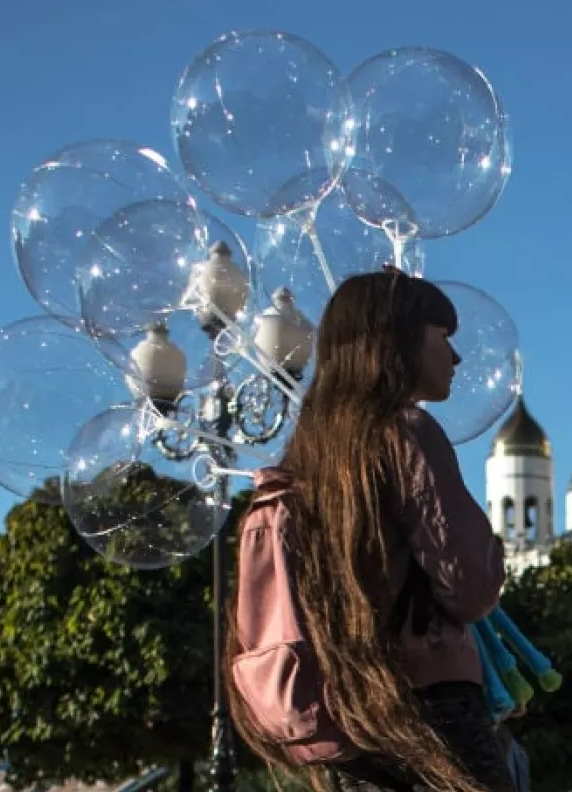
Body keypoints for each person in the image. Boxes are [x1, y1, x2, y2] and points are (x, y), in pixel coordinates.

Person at [226, 270, 513, 792]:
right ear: (396, 340)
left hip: (354, 724)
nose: (455, 356)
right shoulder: (406, 433)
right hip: (435, 720)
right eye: (443, 336)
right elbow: (472, 586)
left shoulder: (308, 459)